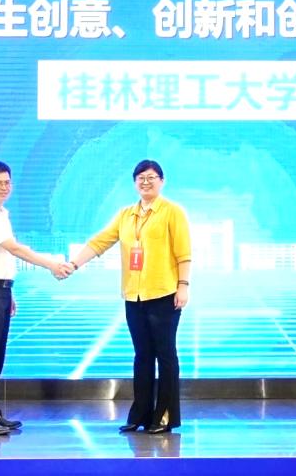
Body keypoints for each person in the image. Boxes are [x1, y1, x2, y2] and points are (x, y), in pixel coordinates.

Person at [68, 160, 191, 434]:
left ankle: (164, 417)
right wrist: (73, 264)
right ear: (135, 183)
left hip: (164, 294)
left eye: (151, 177)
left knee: (165, 355)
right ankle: (140, 415)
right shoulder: (126, 214)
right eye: (140, 178)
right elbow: (100, 242)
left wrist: (183, 285)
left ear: (162, 181)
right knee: (142, 356)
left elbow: (184, 253)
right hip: (133, 296)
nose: (146, 182)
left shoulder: (172, 212)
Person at [0, 160, 71, 435]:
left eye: (7, 182)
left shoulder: (1, 213)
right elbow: (14, 249)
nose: (4, 187)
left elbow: (0, 257)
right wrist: (51, 264)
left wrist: (8, 290)